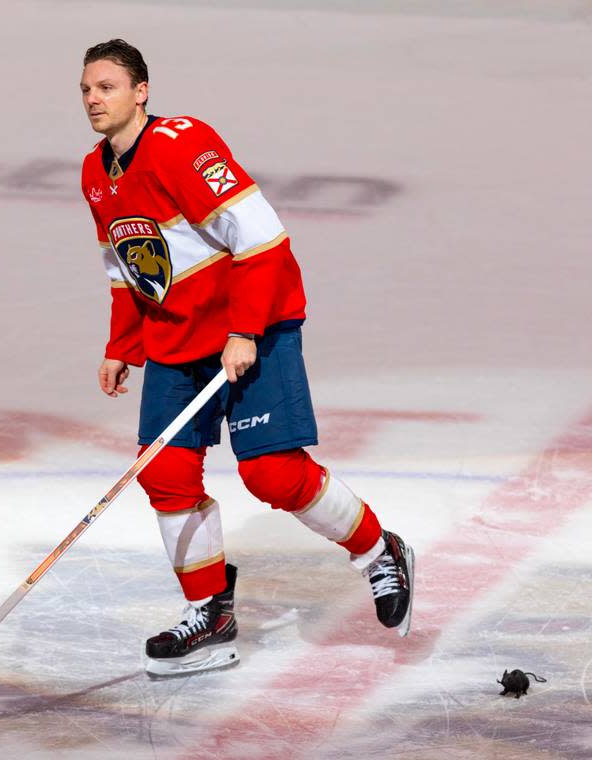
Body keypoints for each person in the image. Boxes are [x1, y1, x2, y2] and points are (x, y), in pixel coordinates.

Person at [78, 39, 413, 677]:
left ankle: (379, 551)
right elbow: (124, 267)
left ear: (141, 91)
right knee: (165, 473)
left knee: (272, 474)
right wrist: (122, 346)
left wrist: (245, 329)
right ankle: (211, 614)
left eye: (107, 87)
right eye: (87, 90)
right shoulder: (95, 172)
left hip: (253, 325)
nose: (94, 99)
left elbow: (262, 237)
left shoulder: (182, 143)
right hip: (177, 341)